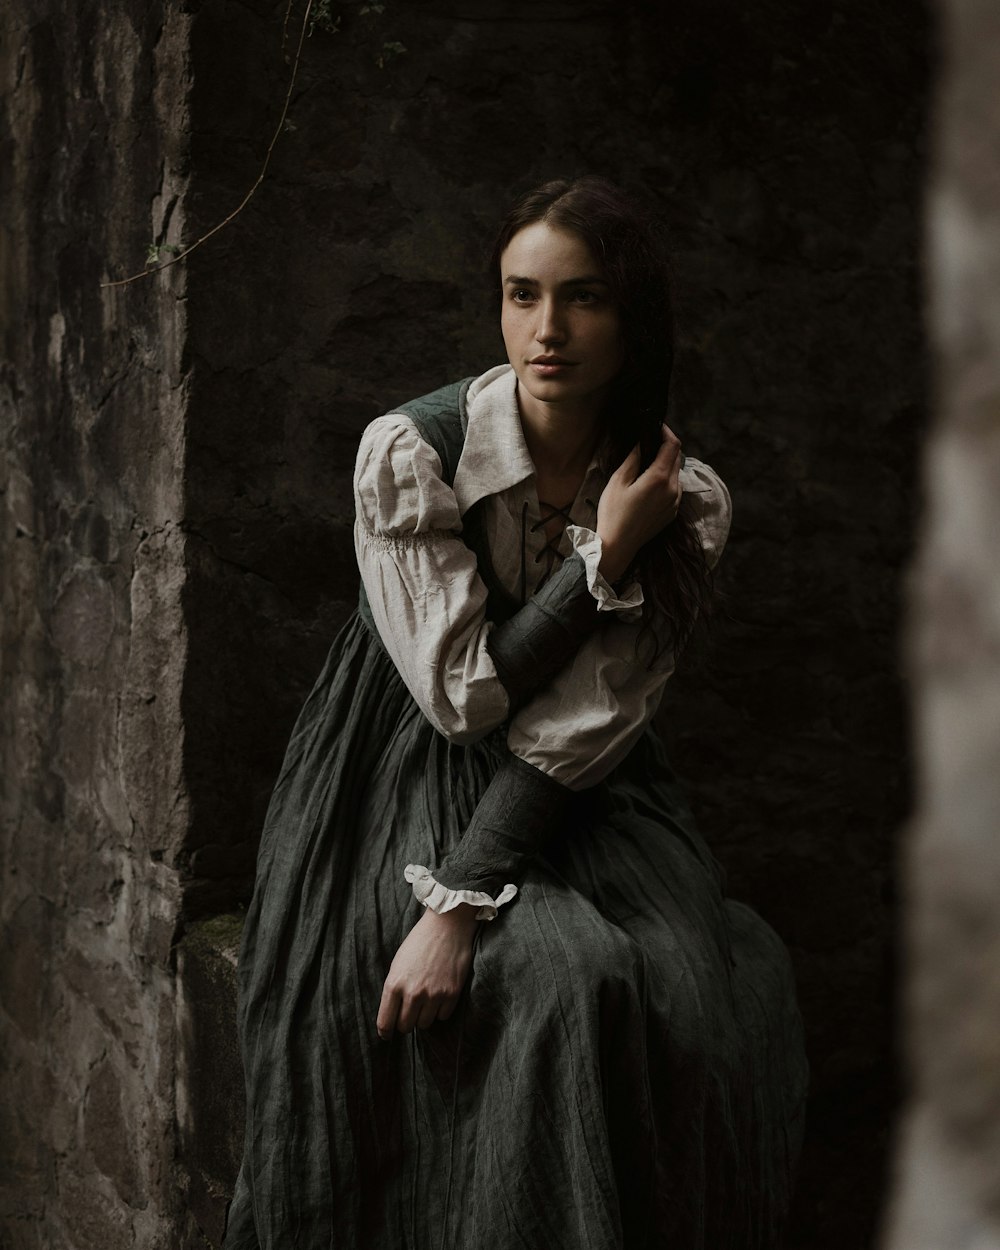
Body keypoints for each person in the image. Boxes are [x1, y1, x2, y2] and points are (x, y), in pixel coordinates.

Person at [223, 176, 808, 1250]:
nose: (548, 330)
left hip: (585, 780)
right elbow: (462, 697)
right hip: (398, 765)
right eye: (522, 294)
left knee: (683, 996)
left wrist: (633, 538)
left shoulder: (688, 499)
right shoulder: (412, 452)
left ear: (631, 319)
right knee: (562, 976)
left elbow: (586, 719)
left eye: (582, 298)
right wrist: (601, 561)